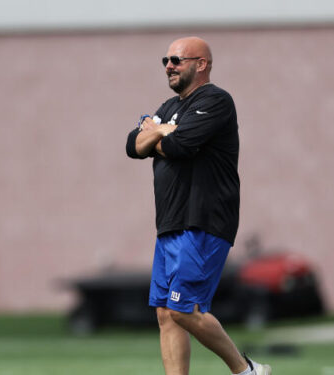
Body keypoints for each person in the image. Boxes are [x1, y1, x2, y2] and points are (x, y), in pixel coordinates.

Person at [125, 37, 272, 375]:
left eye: (177, 59)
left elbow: (181, 146)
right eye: (166, 60)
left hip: (202, 220)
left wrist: (159, 134)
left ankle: (246, 370)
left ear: (201, 64)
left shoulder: (216, 100)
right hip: (170, 224)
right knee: (165, 312)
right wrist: (165, 130)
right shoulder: (168, 107)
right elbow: (133, 146)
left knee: (182, 309)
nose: (169, 66)